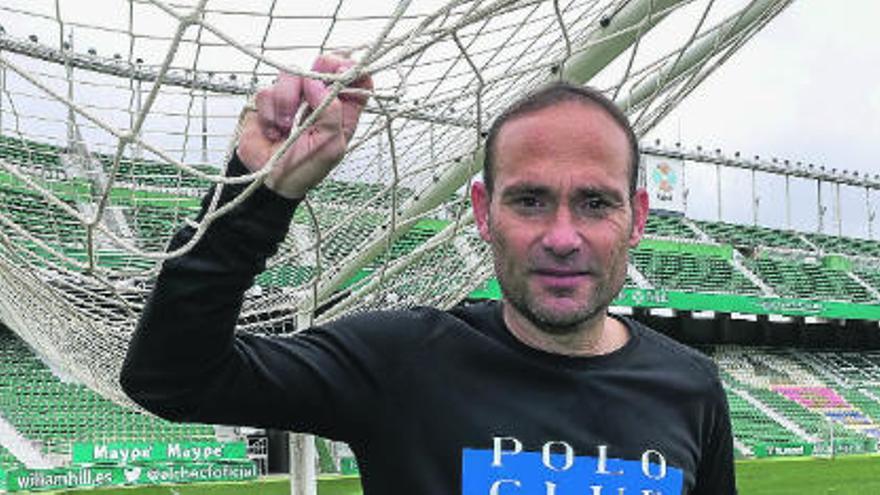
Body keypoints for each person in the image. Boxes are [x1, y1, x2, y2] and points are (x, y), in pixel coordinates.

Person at [121, 53, 736, 495]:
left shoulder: (691, 388)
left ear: (636, 219)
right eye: (529, 201)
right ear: (482, 213)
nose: (562, 237)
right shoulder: (402, 360)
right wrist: (259, 194)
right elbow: (170, 378)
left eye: (596, 203)